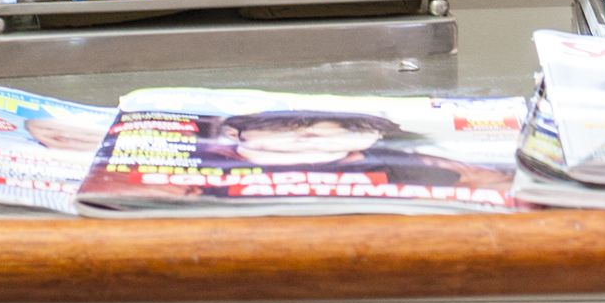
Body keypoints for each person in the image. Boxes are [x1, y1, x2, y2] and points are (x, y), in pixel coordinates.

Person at [198, 108, 494, 192]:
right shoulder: (203, 162)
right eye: (299, 130)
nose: (305, 140)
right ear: (233, 133)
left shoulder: (405, 168)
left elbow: (489, 183)